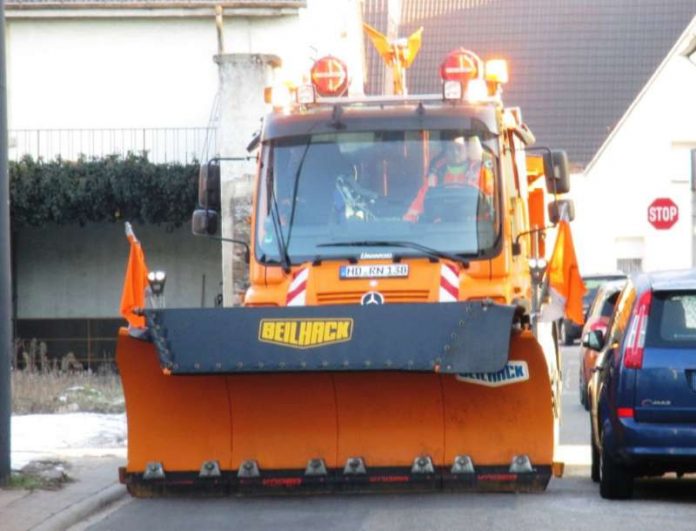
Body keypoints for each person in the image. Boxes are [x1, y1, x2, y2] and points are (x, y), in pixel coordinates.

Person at [403, 135, 493, 221]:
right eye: (451, 148)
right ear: (445, 151)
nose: (455, 152)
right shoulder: (435, 176)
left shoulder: (481, 172)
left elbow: (492, 204)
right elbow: (418, 204)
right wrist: (408, 220)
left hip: (473, 231)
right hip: (441, 231)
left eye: (459, 148)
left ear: (467, 148)